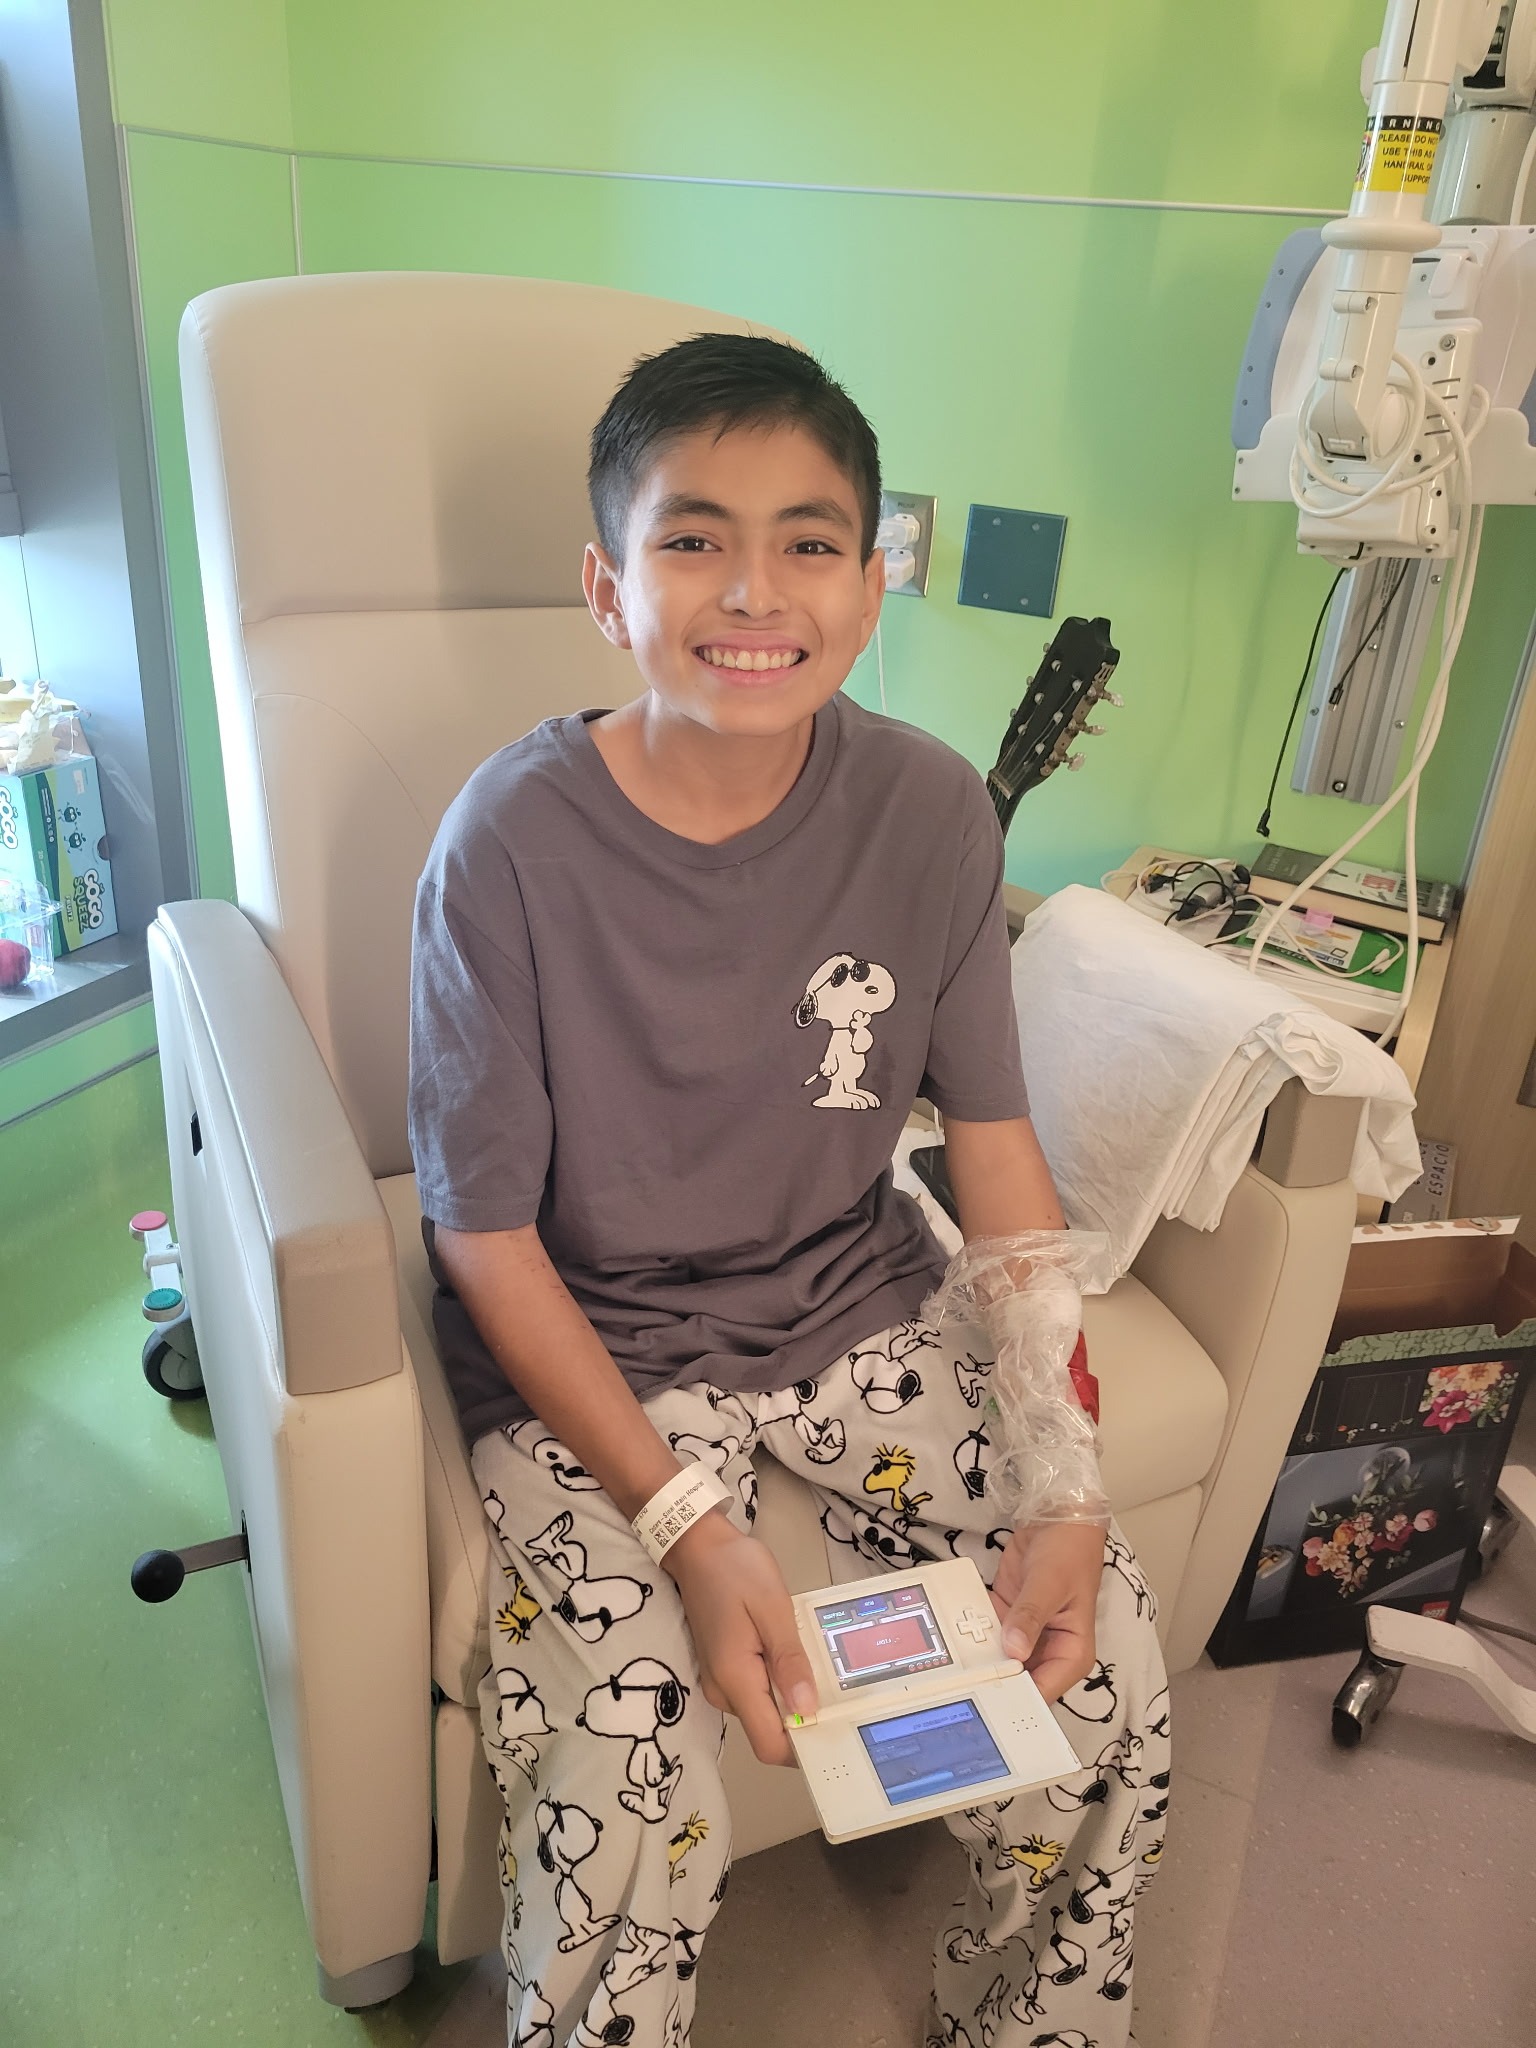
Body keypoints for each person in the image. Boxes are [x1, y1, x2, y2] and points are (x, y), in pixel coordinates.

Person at [408, 333, 1168, 2048]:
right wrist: (689, 1528)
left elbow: (993, 1150)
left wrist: (1065, 1479)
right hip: (595, 1344)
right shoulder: (504, 847)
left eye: (809, 542)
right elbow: (484, 1237)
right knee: (627, 1770)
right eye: (693, 541)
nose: (755, 592)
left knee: (1104, 1670)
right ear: (609, 588)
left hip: (853, 1302)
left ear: (871, 581)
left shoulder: (931, 812)